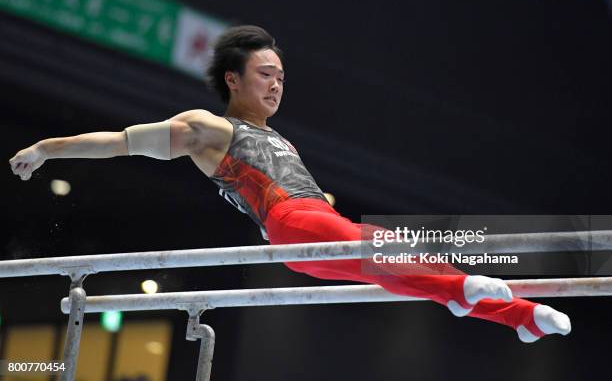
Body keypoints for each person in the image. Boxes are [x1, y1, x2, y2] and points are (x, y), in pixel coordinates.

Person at [9, 25, 570, 342]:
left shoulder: (284, 139)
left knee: (398, 268)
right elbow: (117, 141)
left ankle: (519, 317)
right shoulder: (206, 129)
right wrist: (46, 150)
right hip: (291, 224)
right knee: (395, 253)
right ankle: (463, 292)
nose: (277, 86)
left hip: (314, 231)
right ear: (233, 79)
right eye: (265, 75)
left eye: (281, 77)